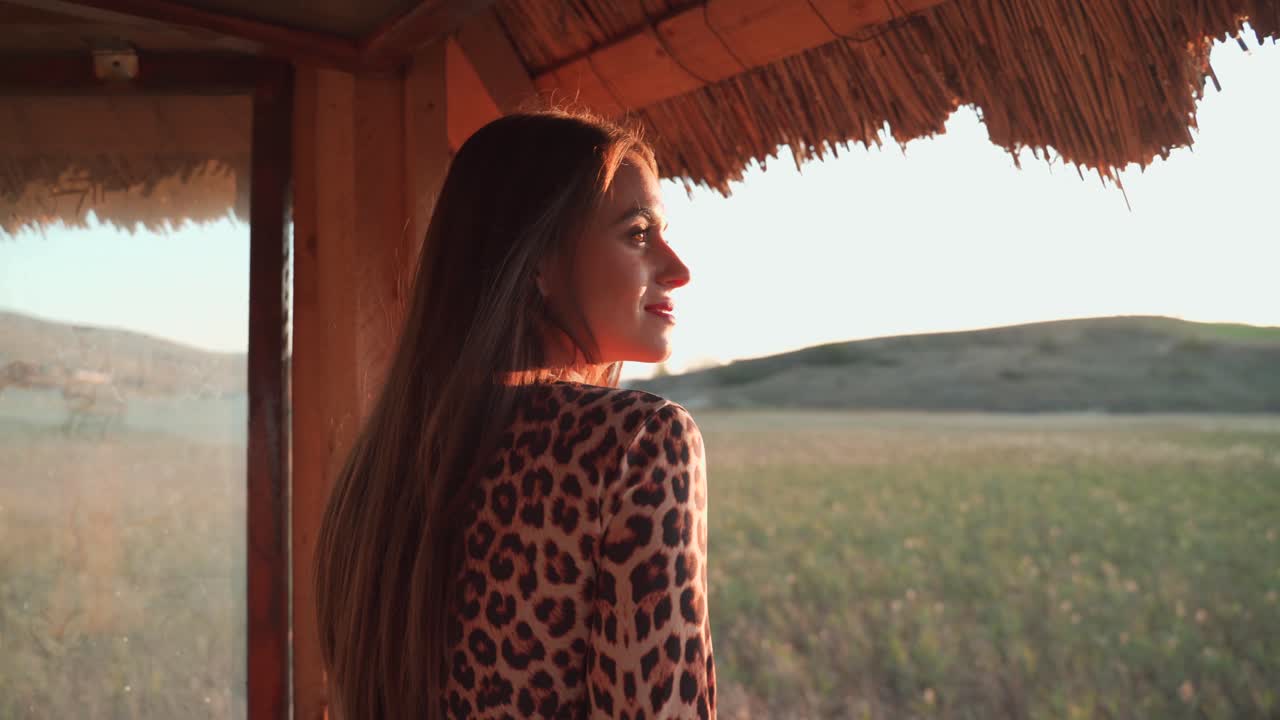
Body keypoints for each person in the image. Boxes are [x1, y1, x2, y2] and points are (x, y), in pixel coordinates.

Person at [313, 109, 716, 719]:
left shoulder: (373, 477)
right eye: (638, 234)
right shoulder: (638, 444)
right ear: (540, 262)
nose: (677, 269)